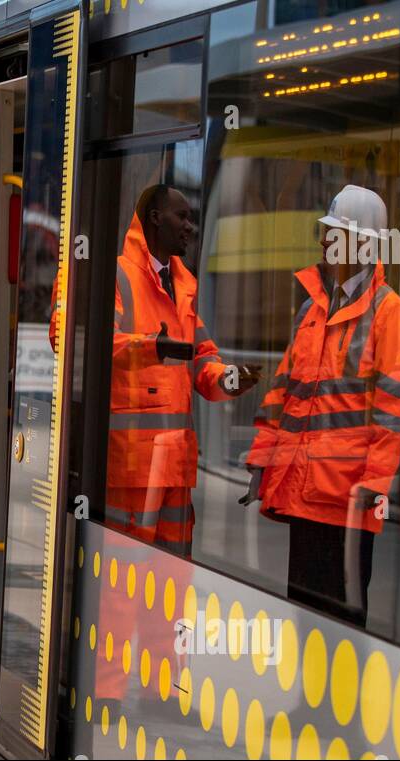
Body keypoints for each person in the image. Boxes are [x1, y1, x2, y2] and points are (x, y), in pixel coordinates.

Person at [241, 185, 400, 625]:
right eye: (325, 231)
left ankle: (340, 698)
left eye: (334, 232)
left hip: (347, 502)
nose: (323, 241)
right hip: (304, 493)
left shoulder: (390, 314)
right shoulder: (311, 312)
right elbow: (282, 393)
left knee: (341, 617)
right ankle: (308, 698)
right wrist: (262, 459)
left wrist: (373, 490)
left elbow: (393, 415)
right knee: (303, 613)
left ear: (365, 243)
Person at [105, 184, 260, 555]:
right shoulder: (117, 276)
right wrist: (151, 346)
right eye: (183, 216)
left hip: (174, 467)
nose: (191, 227)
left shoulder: (183, 285)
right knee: (126, 575)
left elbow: (202, 357)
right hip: (132, 468)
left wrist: (229, 378)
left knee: (172, 574)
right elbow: (80, 339)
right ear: (156, 219)